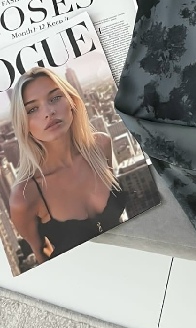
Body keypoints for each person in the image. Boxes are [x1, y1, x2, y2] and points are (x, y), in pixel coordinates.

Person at [8, 67, 127, 263]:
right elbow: (42, 255)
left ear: (72, 101)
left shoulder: (100, 146)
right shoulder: (24, 195)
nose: (49, 112)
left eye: (55, 98)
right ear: (24, 125)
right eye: (32, 109)